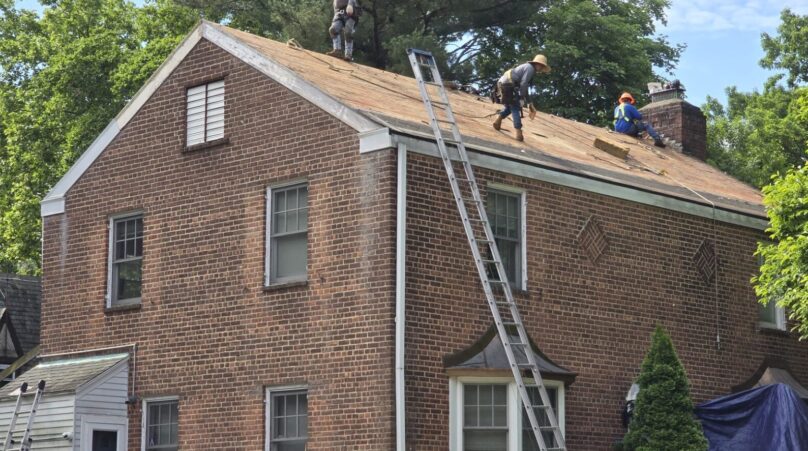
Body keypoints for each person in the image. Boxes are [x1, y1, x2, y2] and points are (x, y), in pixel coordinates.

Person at [492, 55, 551, 142]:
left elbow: (524, 87)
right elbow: (523, 84)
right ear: (537, 64)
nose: (541, 69)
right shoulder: (530, 69)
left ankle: (497, 121)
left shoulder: (529, 68)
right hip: (507, 84)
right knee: (515, 107)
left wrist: (529, 102)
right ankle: (518, 133)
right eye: (541, 66)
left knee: (510, 106)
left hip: (505, 83)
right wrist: (522, 98)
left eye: (543, 67)